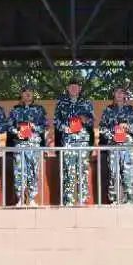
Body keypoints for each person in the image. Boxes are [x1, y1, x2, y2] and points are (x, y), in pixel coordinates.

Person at [54, 76, 95, 206]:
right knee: (69, 172)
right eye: (71, 87)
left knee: (83, 171)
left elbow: (92, 121)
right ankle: (69, 201)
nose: (73, 88)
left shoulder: (86, 103)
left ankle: (82, 200)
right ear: (67, 88)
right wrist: (64, 128)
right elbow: (56, 121)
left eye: (76, 87)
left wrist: (85, 120)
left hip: (82, 142)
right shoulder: (61, 103)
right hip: (68, 142)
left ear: (80, 89)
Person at [7, 84, 47, 206]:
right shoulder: (15, 110)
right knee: (19, 171)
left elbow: (45, 126)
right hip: (20, 145)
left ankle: (32, 198)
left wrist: (35, 127)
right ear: (21, 94)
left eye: (30, 92)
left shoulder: (39, 110)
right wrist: (16, 132)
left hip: (33, 145)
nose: (28, 94)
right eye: (25, 92)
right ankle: (20, 198)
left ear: (33, 94)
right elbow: (9, 126)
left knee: (33, 172)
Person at [99, 85, 133, 204]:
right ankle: (114, 201)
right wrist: (113, 133)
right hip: (114, 146)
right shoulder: (108, 110)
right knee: (113, 175)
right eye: (116, 92)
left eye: (121, 92)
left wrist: (128, 127)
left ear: (125, 94)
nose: (119, 94)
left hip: (128, 147)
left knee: (128, 175)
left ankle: (130, 202)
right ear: (113, 94)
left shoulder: (132, 110)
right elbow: (102, 128)